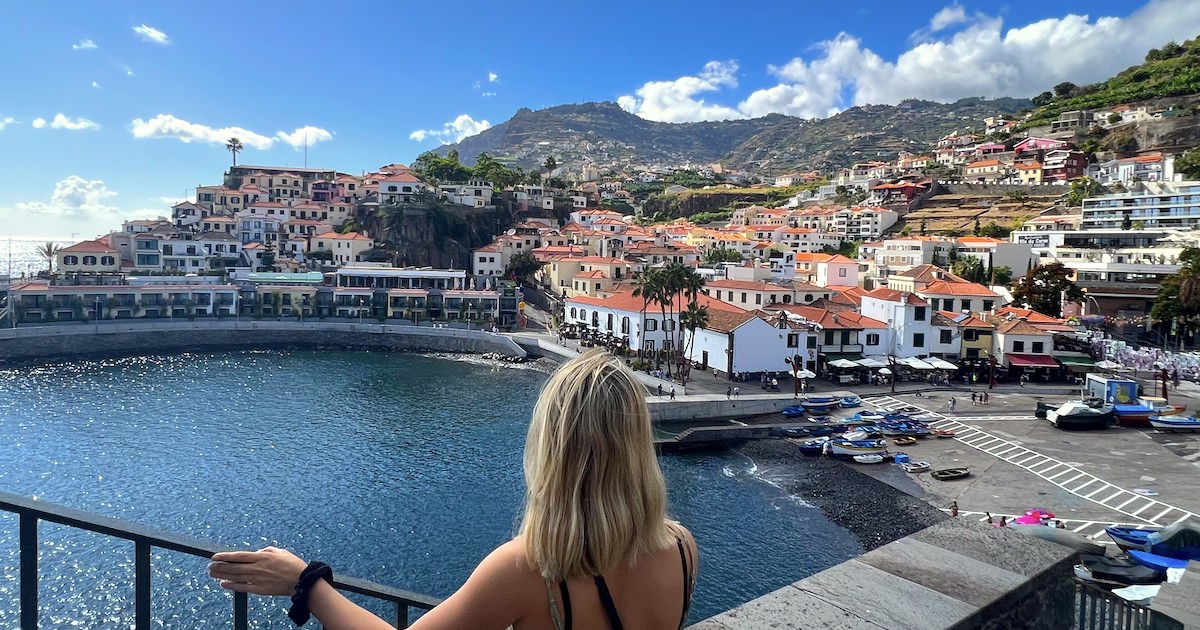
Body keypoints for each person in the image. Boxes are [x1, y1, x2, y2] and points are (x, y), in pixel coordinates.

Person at [208, 350, 698, 630]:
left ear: (553, 445)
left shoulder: (531, 568)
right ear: (638, 445)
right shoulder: (681, 547)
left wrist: (306, 583)